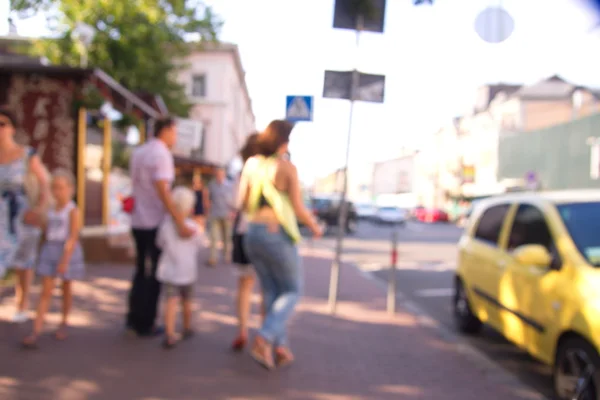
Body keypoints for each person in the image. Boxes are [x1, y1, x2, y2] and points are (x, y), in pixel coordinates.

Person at [238, 120, 322, 370]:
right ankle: (264, 338)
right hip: (277, 235)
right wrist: (315, 227)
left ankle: (280, 348)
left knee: (272, 292)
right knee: (293, 291)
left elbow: (241, 202)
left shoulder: (251, 164)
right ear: (283, 141)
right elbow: (298, 207)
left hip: (252, 233)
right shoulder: (286, 167)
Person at [127, 116, 195, 337]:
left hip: (137, 219)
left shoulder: (139, 152)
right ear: (165, 131)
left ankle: (134, 318)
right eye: (175, 132)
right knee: (155, 272)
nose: (176, 137)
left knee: (140, 269)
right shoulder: (161, 154)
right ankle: (146, 322)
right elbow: (163, 189)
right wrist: (178, 219)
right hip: (154, 220)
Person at [22, 169, 84, 348]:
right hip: (50, 249)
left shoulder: (72, 210)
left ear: (70, 189)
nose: (57, 192)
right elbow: (46, 229)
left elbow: (72, 236)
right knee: (45, 291)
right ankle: (36, 330)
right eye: (54, 188)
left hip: (65, 251)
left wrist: (65, 259)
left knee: (66, 289)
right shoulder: (50, 209)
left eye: (61, 188)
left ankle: (64, 322)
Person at [0, 108, 49, 323]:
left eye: (2, 124)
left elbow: (44, 183)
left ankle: (23, 302)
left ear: (11, 127)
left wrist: (38, 209)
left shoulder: (27, 154)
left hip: (21, 213)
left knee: (23, 261)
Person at [156, 186, 203, 349]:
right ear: (190, 208)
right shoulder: (194, 227)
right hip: (188, 271)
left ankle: (169, 333)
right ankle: (187, 326)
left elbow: (159, 243)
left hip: (169, 271)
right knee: (187, 299)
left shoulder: (165, 226)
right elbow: (199, 244)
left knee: (170, 300)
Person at [230, 132, 263, 351]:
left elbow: (237, 204)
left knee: (244, 285)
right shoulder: (270, 171)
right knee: (268, 287)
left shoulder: (242, 173)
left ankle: (243, 329)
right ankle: (265, 335)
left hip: (243, 232)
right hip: (266, 233)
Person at [204, 167, 235, 266]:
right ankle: (213, 258)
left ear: (224, 174)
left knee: (227, 236)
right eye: (217, 174)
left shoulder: (230, 185)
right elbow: (208, 198)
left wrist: (233, 212)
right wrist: (207, 211)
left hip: (227, 214)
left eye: (221, 174)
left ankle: (227, 255)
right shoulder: (212, 185)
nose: (219, 176)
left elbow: (234, 200)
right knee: (214, 237)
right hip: (215, 214)